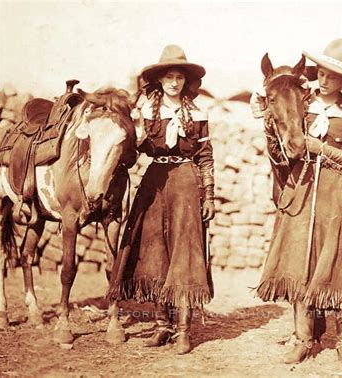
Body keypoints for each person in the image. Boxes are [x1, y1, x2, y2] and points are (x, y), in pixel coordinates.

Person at [253, 38, 342, 364]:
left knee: (340, 264)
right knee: (297, 263)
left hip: (339, 192)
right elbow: (282, 148)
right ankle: (302, 337)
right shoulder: (301, 104)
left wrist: (324, 150)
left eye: (333, 76)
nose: (325, 79)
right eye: (322, 72)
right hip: (302, 188)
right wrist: (267, 122)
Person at [107, 44, 215, 354]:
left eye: (179, 77)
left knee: (183, 251)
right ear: (160, 80)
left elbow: (205, 156)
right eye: (168, 77)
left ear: (185, 81)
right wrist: (136, 136)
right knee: (154, 251)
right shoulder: (145, 112)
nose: (173, 83)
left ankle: (182, 329)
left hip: (184, 180)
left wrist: (208, 195)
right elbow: (130, 152)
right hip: (154, 181)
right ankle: (161, 325)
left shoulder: (198, 112)